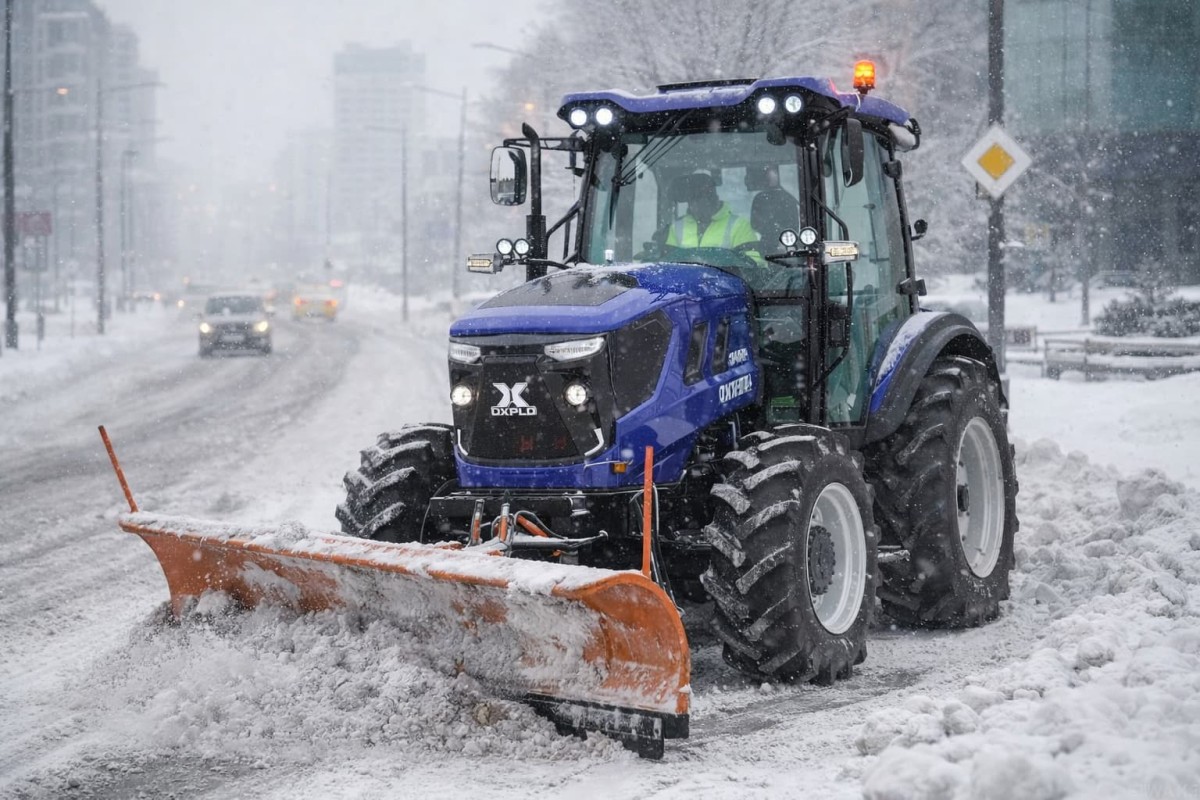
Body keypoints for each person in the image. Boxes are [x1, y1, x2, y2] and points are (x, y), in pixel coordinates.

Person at [664, 172, 758, 251]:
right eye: (692, 200)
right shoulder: (677, 228)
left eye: (702, 198)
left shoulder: (739, 227)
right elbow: (668, 262)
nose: (695, 206)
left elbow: (752, 263)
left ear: (714, 199)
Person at [746, 165, 799, 251]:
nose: (772, 177)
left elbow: (794, 225)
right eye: (768, 175)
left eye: (774, 173)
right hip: (767, 246)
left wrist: (784, 239)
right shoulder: (760, 199)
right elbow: (755, 225)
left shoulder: (788, 199)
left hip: (787, 244)